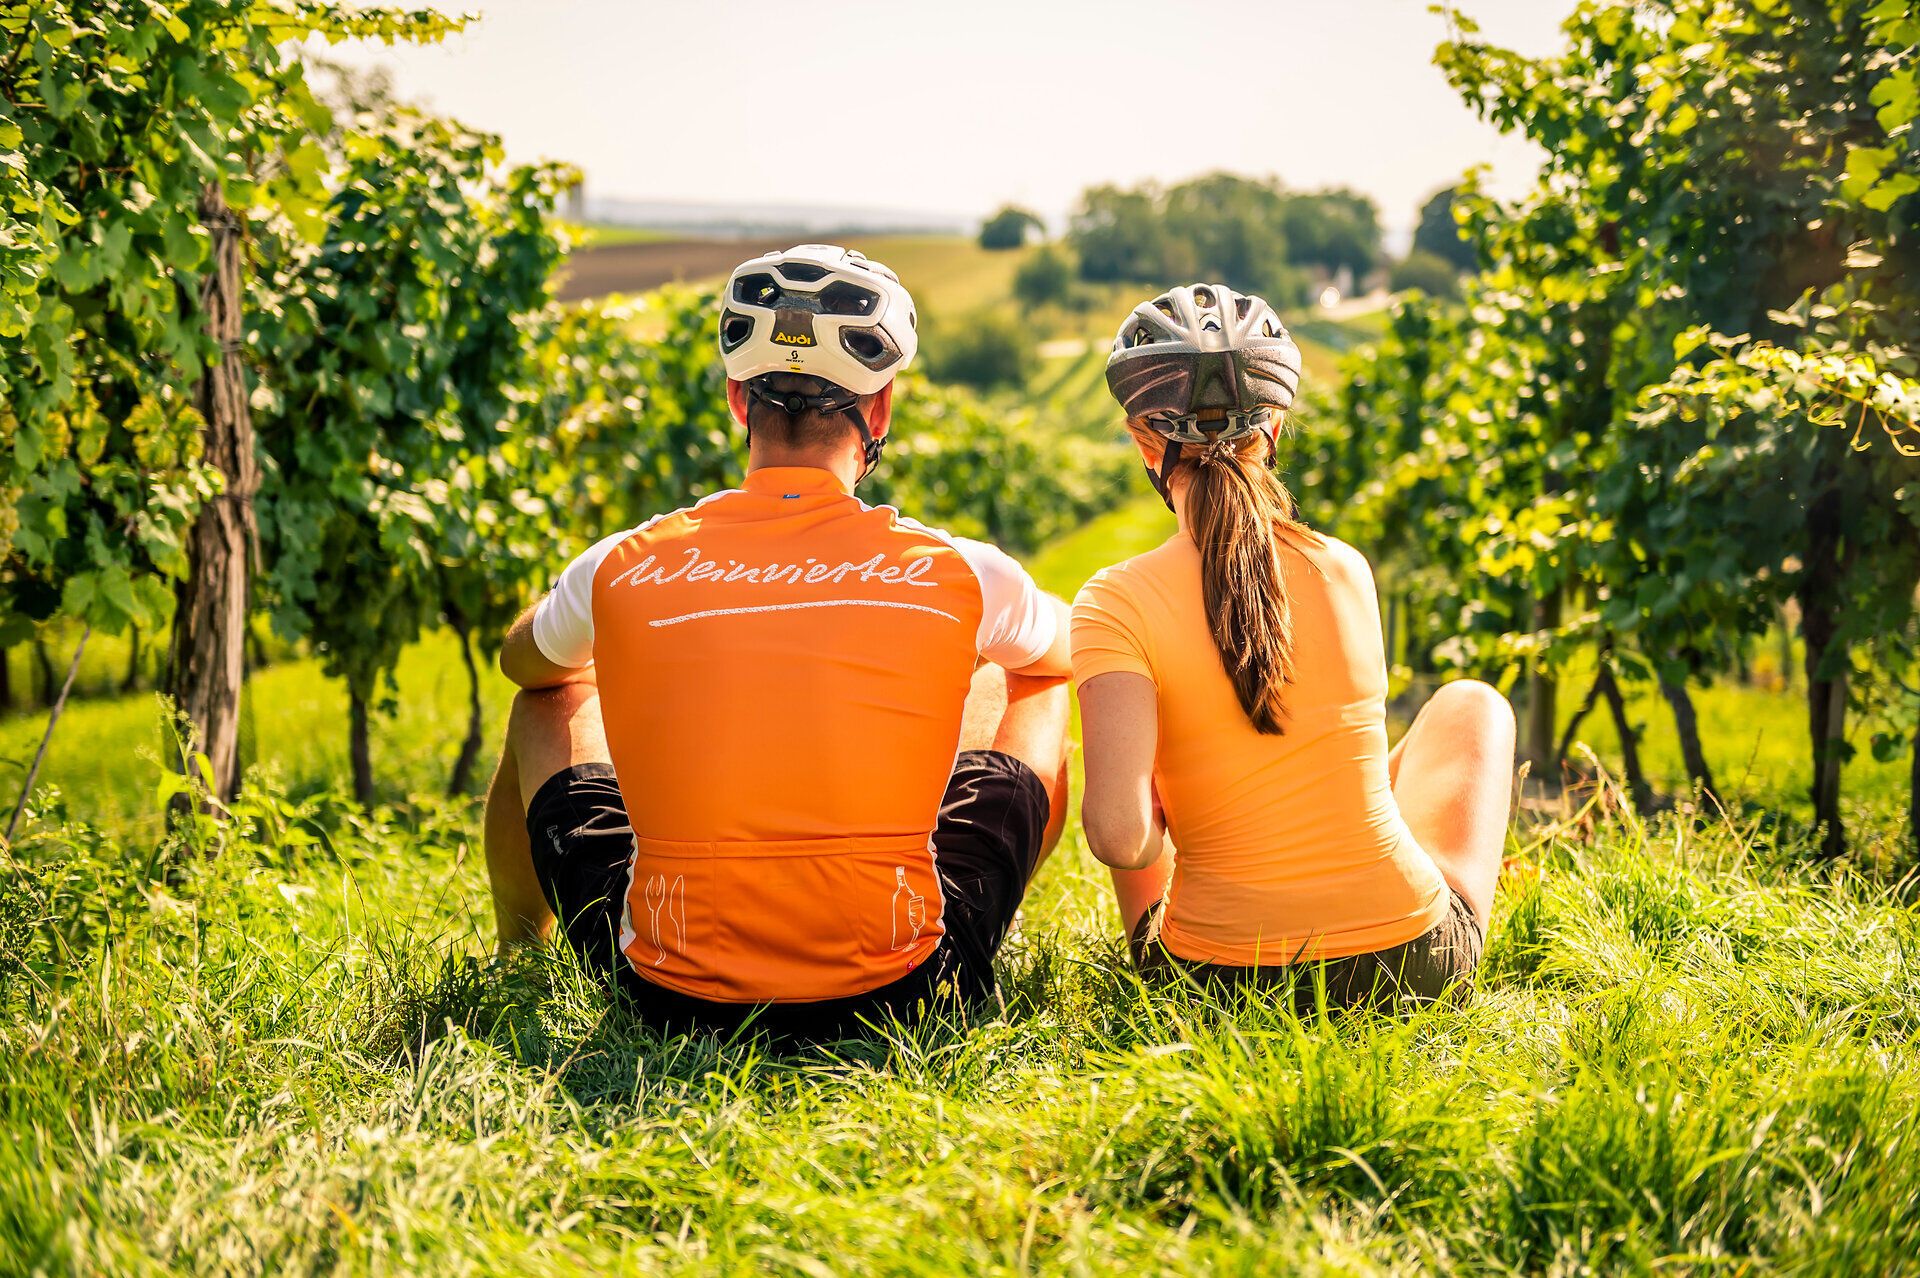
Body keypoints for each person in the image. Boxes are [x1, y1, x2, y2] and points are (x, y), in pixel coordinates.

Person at [483, 245, 1073, 1040]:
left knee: (548, 696)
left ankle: (518, 957)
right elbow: (1064, 652)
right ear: (880, 412)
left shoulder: (621, 562)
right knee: (1028, 680)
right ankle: (976, 925)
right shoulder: (962, 571)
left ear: (738, 400)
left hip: (668, 998)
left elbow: (521, 663)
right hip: (903, 991)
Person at [1072, 283, 1515, 1012]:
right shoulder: (1344, 567)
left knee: (1132, 752)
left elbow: (1122, 840)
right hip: (1408, 968)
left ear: (1144, 440)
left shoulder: (1114, 600)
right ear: (1274, 425)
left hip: (1212, 987)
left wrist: (1160, 811)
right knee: (1473, 705)